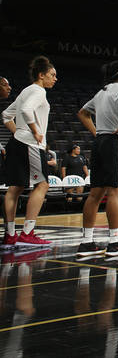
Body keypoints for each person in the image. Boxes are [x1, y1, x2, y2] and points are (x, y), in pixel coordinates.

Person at [75, 60, 118, 257]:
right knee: (115, 193)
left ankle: (86, 243)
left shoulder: (101, 91)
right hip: (115, 141)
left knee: (94, 194)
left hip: (100, 142)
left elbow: (82, 113)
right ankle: (114, 242)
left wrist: (95, 133)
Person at [1, 56, 58, 248]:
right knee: (42, 185)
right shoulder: (38, 91)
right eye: (52, 75)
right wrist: (34, 130)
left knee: (14, 189)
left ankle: (10, 236)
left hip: (17, 143)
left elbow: (6, 115)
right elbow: (26, 110)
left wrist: (19, 132)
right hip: (31, 145)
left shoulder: (26, 91)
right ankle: (27, 233)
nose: (55, 78)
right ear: (41, 75)